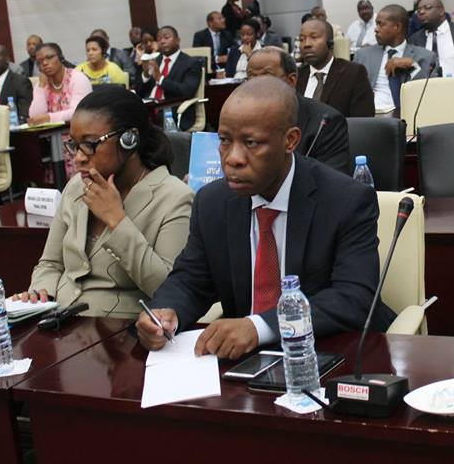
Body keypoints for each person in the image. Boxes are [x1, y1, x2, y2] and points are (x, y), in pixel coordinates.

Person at [137, 76, 395, 358]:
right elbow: (191, 280)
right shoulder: (212, 202)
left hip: (331, 353)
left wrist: (260, 327)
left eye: (251, 143)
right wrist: (166, 313)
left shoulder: (346, 200)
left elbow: (354, 298)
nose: (233, 158)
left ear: (290, 140)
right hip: (243, 362)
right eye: (224, 141)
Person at [14, 85, 194, 317]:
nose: (79, 158)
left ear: (129, 139)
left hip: (118, 329)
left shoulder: (175, 198)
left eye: (90, 144)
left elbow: (168, 291)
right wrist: (41, 295)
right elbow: (50, 263)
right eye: (74, 145)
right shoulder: (76, 186)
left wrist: (117, 222)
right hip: (60, 321)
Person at [246, 47, 350, 174]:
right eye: (250, 78)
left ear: (291, 81)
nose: (255, 85)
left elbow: (331, 180)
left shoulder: (326, 124)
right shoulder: (242, 119)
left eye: (266, 77)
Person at [354, 4, 437, 114]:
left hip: (407, 114)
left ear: (397, 27)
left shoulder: (425, 56)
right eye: (376, 24)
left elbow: (430, 91)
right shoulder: (363, 55)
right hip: (372, 115)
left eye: (380, 24)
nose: (376, 29)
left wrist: (413, 66)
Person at [29, 43, 92, 179]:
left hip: (78, 140)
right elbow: (35, 117)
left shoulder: (77, 78)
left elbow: (77, 112)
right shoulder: (42, 84)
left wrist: (48, 118)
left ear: (61, 58)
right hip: (52, 144)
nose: (44, 63)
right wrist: (40, 87)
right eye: (39, 61)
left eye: (49, 57)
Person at [296, 18, 375, 117]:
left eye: (314, 37)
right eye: (302, 39)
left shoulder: (354, 73)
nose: (306, 44)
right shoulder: (296, 76)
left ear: (330, 43)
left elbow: (363, 120)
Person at [137, 26, 203, 131]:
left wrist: (160, 79)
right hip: (149, 109)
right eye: (159, 39)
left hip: (171, 111)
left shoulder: (191, 63)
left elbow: (187, 91)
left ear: (178, 40)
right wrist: (145, 75)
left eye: (166, 37)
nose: (162, 41)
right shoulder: (154, 60)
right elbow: (139, 92)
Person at [406, 0, 454, 77]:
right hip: (429, 84)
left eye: (427, 7)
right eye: (418, 10)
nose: (421, 12)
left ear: (441, 11)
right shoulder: (414, 40)